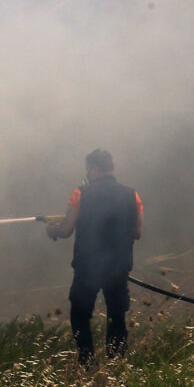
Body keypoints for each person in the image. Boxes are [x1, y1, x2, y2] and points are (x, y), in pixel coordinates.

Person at [47, 148, 144, 363]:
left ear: (93, 168)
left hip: (87, 267)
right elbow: (137, 232)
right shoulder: (132, 195)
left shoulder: (81, 193)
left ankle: (87, 362)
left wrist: (51, 230)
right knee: (117, 317)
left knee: (80, 315)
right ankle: (116, 364)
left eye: (88, 168)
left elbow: (66, 230)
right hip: (119, 267)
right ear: (111, 167)